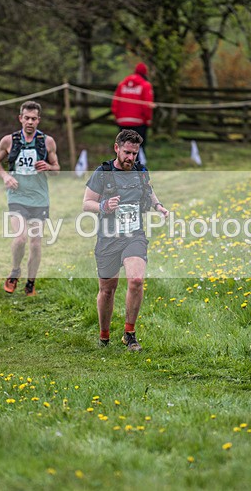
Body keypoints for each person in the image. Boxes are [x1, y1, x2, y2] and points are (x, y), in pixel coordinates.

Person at [82, 129, 169, 351]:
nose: (131, 158)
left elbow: (148, 191)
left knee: (136, 280)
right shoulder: (103, 172)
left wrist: (158, 206)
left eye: (134, 153)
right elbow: (86, 203)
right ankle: (104, 334)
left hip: (134, 235)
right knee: (107, 290)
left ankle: (129, 334)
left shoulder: (140, 171)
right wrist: (103, 206)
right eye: (127, 152)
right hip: (108, 238)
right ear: (117, 148)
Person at [0, 101, 60, 296]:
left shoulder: (47, 142)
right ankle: (14, 272)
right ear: (20, 118)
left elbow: (57, 168)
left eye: (34, 118)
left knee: (36, 243)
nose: (30, 122)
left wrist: (48, 167)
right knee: (20, 238)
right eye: (26, 118)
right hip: (17, 196)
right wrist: (6, 176)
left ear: (39, 120)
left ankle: (30, 283)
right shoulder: (9, 141)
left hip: (39, 199)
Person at [111, 62, 154, 149]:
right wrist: (148, 119)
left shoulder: (122, 84)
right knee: (138, 149)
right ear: (145, 73)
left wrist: (117, 117)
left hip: (122, 122)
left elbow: (115, 103)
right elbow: (146, 106)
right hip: (139, 123)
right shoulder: (145, 85)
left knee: (123, 148)